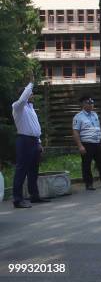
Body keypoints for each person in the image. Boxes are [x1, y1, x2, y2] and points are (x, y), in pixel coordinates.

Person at [12, 72, 51, 208]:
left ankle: (34, 196)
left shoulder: (31, 108)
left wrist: (39, 142)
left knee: (33, 170)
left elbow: (35, 127)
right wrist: (31, 83)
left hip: (34, 141)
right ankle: (17, 199)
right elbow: (22, 99)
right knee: (21, 170)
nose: (32, 95)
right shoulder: (17, 107)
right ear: (26, 95)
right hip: (24, 141)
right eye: (30, 93)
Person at [72, 96, 101, 190]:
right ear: (83, 104)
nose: (91, 104)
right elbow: (76, 132)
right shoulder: (78, 117)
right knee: (86, 164)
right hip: (87, 143)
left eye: (92, 102)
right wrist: (80, 146)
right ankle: (89, 184)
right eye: (89, 103)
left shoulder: (94, 115)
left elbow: (98, 128)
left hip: (97, 142)